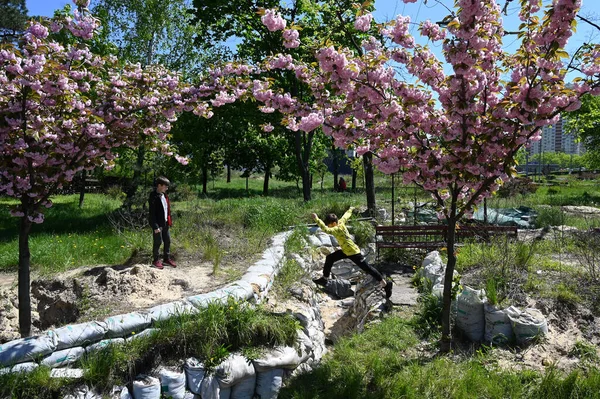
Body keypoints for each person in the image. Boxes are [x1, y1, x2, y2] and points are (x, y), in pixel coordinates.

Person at [311, 207, 392, 298]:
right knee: (330, 258)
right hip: (346, 251)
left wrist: (316, 219)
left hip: (353, 252)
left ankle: (386, 285)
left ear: (334, 223)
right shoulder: (340, 222)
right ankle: (324, 279)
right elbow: (346, 216)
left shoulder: (337, 229)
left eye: (329, 225)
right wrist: (351, 209)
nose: (329, 227)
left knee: (367, 268)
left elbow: (326, 230)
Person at [148, 176, 177, 269]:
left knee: (167, 241)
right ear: (159, 185)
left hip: (165, 222)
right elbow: (152, 213)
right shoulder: (153, 196)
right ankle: (155, 260)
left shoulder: (165, 195)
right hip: (158, 224)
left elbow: (166, 209)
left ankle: (166, 259)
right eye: (165, 186)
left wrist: (169, 221)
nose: (167, 188)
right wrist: (155, 226)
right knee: (158, 241)